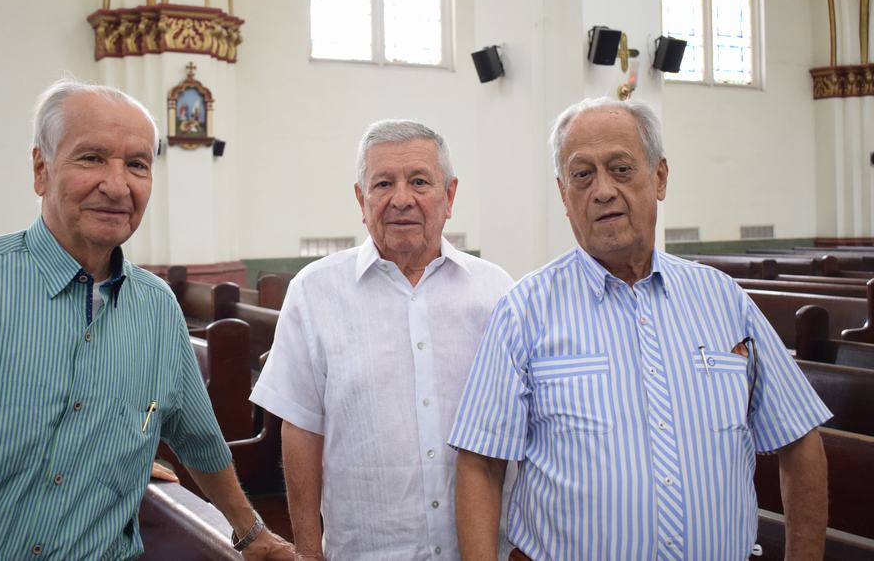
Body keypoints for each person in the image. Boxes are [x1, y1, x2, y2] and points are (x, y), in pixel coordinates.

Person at [0, 79, 294, 561]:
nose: (117, 184)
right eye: (92, 158)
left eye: (137, 165)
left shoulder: (157, 309)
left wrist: (253, 535)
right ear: (41, 169)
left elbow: (200, 440)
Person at [449, 96, 831, 561]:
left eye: (621, 169)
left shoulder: (725, 301)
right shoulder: (524, 312)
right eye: (582, 175)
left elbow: (799, 438)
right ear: (563, 194)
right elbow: (480, 464)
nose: (603, 190)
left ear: (660, 177)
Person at [250, 120, 514, 561]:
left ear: (449, 196)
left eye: (419, 182)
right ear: (361, 198)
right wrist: (310, 552)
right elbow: (300, 428)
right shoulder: (315, 291)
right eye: (383, 183)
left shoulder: (496, 292)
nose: (401, 198)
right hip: (365, 549)